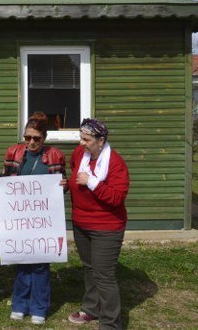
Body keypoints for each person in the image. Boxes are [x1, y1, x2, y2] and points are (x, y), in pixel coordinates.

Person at [3, 112, 66, 326]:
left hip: (44, 219)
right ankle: (20, 305)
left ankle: (39, 307)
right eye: (27, 137)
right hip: (20, 218)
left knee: (40, 265)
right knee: (22, 262)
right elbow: (6, 182)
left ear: (44, 138)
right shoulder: (13, 153)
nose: (31, 142)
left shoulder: (55, 156)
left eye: (36, 138)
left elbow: (60, 189)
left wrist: (63, 186)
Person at [67, 118, 129, 330]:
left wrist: (92, 182)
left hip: (106, 227)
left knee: (104, 276)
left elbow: (117, 198)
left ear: (100, 140)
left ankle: (111, 324)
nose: (81, 143)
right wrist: (65, 184)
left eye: (86, 139)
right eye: (81, 138)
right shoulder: (79, 155)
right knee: (89, 269)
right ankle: (91, 309)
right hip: (81, 223)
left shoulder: (115, 163)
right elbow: (74, 174)